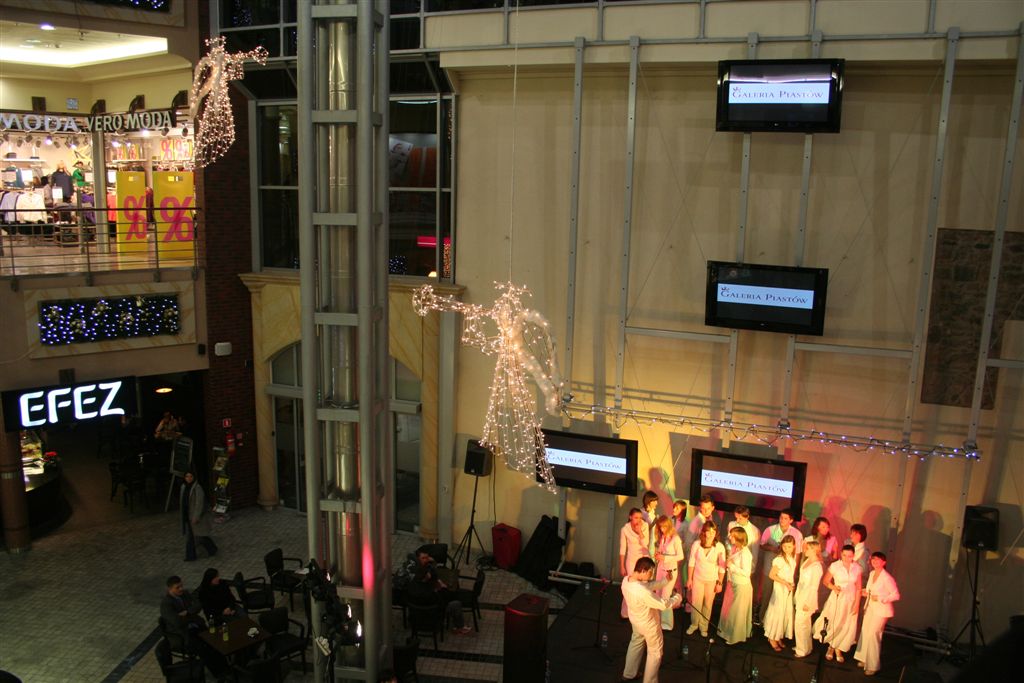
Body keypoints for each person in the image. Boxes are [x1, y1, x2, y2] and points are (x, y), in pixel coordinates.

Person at [621, 556, 682, 683]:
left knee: (635, 644)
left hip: (636, 621)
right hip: (649, 625)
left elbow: (648, 585)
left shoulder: (626, 581)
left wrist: (665, 581)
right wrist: (677, 597)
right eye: (650, 573)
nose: (651, 576)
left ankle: (629, 673)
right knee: (655, 653)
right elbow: (663, 604)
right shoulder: (642, 592)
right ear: (643, 570)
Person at [814, 544, 863, 663]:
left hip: (851, 599)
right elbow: (825, 581)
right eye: (845, 555)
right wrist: (834, 587)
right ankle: (831, 647)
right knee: (835, 622)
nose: (847, 558)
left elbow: (858, 588)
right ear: (841, 554)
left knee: (846, 624)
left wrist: (857, 604)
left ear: (853, 556)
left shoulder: (857, 568)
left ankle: (838, 648)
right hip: (837, 598)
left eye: (850, 556)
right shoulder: (835, 566)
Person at [406, 546, 471, 635]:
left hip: (417, 613)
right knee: (456, 604)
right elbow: (440, 603)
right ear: (426, 576)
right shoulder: (430, 592)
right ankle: (459, 627)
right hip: (433, 613)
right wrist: (441, 589)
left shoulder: (412, 584)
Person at [854, 552, 900, 676]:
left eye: (878, 560)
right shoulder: (872, 573)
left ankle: (873, 665)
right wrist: (865, 593)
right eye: (873, 559)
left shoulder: (887, 578)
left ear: (883, 562)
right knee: (866, 632)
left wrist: (880, 598)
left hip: (881, 610)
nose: (875, 562)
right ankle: (864, 658)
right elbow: (871, 590)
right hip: (870, 608)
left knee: (874, 634)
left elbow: (896, 595)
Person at [757, 509, 803, 621]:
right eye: (781, 517)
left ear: (791, 520)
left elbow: (797, 554)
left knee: (781, 597)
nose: (782, 520)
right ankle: (762, 619)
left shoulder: (796, 534)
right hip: (770, 567)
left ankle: (778, 622)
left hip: (786, 572)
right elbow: (761, 545)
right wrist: (772, 548)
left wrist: (794, 572)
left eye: (786, 518)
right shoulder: (771, 529)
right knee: (767, 594)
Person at [686, 520, 725, 637]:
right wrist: (689, 579)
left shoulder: (719, 547)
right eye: (709, 531)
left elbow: (722, 568)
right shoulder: (696, 544)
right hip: (698, 578)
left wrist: (720, 583)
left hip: (712, 580)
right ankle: (694, 624)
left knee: (708, 604)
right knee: (696, 603)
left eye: (714, 531)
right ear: (704, 532)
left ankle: (704, 626)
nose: (711, 533)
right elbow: (691, 562)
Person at [718, 526, 753, 645]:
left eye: (732, 535)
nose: (729, 537)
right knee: (729, 610)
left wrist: (731, 566)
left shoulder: (746, 553)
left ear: (738, 537)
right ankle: (726, 632)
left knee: (737, 612)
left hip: (741, 585)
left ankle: (735, 636)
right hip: (732, 582)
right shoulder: (735, 548)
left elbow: (746, 573)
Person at [763, 534, 797, 651]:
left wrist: (791, 584)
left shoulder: (792, 559)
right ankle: (772, 637)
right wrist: (785, 583)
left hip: (787, 590)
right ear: (782, 546)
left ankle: (777, 636)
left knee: (784, 613)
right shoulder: (779, 559)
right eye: (785, 547)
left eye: (790, 547)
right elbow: (772, 575)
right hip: (780, 589)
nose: (787, 549)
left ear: (794, 547)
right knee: (777, 612)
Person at [793, 539, 824, 658]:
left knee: (801, 623)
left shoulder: (817, 567)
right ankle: (805, 646)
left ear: (814, 550)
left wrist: (808, 602)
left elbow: (813, 587)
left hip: (807, 598)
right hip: (801, 595)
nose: (805, 550)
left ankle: (802, 650)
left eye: (807, 548)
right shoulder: (807, 561)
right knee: (803, 623)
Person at [653, 515, 683, 631]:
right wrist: (658, 555)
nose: (662, 529)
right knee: (658, 595)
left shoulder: (676, 539)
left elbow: (680, 556)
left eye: (664, 527)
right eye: (660, 527)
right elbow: (662, 552)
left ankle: (667, 624)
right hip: (660, 569)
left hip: (670, 571)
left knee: (665, 597)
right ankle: (659, 620)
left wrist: (664, 558)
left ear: (669, 525)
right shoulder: (662, 537)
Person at [620, 507, 651, 618]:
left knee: (643, 586)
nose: (638, 520)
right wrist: (622, 566)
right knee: (630, 584)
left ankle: (640, 612)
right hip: (631, 560)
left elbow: (645, 543)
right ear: (630, 517)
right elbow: (623, 548)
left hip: (643, 558)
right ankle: (625, 612)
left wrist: (639, 532)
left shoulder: (645, 526)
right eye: (636, 517)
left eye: (640, 518)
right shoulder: (625, 529)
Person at [159, 575, 206, 649]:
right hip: (182, 632)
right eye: (177, 587)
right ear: (170, 589)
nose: (181, 589)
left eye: (181, 586)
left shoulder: (185, 594)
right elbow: (177, 622)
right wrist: (191, 615)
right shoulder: (166, 604)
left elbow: (198, 604)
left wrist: (187, 612)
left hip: (195, 625)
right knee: (202, 647)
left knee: (211, 639)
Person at [180, 471, 218, 561]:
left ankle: (191, 556)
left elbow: (199, 503)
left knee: (197, 536)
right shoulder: (183, 487)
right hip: (187, 516)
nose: (188, 478)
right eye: (187, 476)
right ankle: (211, 549)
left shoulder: (197, 488)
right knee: (195, 536)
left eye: (190, 476)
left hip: (195, 516)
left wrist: (196, 516)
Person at [727, 505, 760, 573]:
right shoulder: (731, 524)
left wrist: (752, 569)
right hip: (731, 562)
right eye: (736, 518)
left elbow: (755, 552)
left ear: (747, 517)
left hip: (744, 565)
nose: (737, 520)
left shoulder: (755, 531)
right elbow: (728, 542)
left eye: (740, 518)